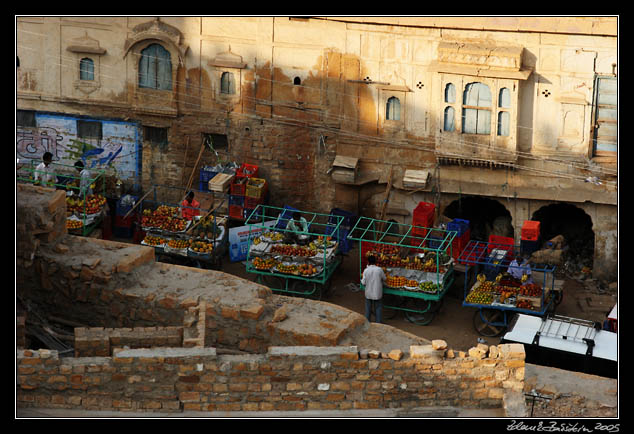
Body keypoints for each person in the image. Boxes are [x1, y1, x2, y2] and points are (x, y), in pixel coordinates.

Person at [361, 255, 386, 323]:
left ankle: (367, 322)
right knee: (378, 308)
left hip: (368, 293)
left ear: (368, 262)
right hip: (377, 293)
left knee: (368, 309)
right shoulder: (379, 270)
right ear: (376, 262)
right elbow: (384, 278)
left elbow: (363, 282)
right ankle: (378, 323)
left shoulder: (366, 270)